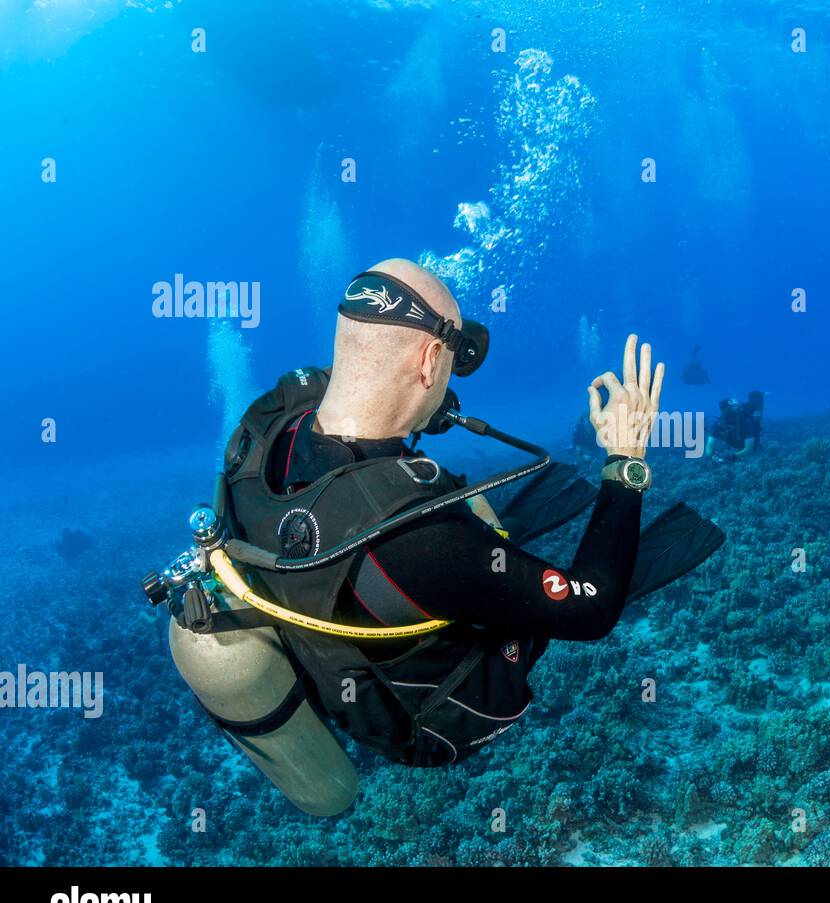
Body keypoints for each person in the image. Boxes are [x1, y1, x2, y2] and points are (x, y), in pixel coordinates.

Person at [196, 258, 724, 769]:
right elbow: (593, 614)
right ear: (429, 362)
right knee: (576, 592)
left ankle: (491, 552)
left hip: (329, 619)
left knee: (474, 544)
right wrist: (625, 460)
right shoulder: (424, 539)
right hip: (427, 719)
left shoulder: (265, 423)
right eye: (450, 364)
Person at [705, 390, 763, 461]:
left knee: (753, 408)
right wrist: (713, 456)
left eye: (732, 415)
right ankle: (755, 398)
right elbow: (709, 446)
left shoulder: (746, 422)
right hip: (735, 441)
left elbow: (749, 449)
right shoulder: (718, 424)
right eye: (727, 415)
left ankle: (757, 398)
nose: (730, 419)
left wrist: (732, 456)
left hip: (744, 441)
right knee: (750, 406)